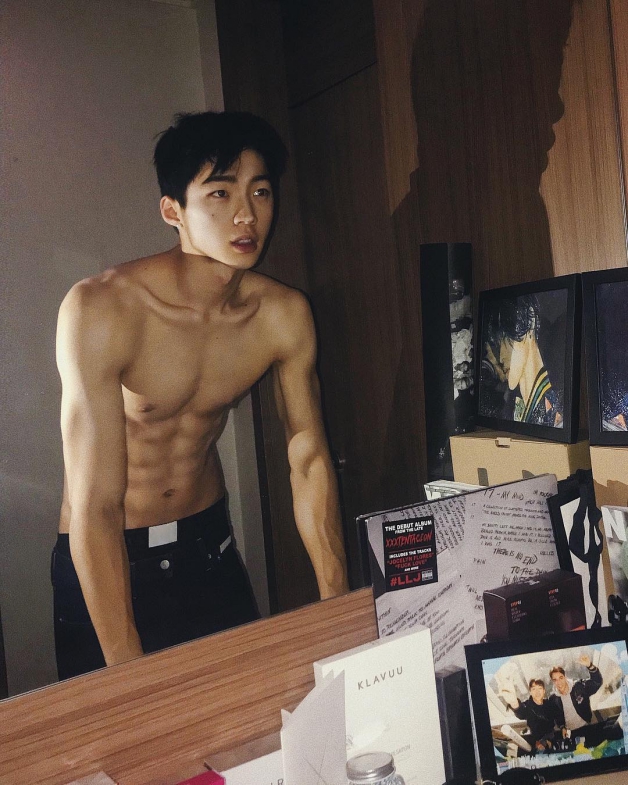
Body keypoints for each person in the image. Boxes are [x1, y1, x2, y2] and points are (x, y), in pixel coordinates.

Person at [52, 111, 349, 680]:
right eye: (220, 193)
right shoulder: (102, 309)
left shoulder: (281, 315)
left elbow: (308, 458)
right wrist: (126, 669)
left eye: (260, 191)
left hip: (205, 547)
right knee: (133, 734)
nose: (246, 214)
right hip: (108, 558)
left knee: (249, 720)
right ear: (173, 211)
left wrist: (335, 602)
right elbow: (96, 503)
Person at [482, 295, 562, 427]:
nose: (501, 356)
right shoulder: (517, 404)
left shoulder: (552, 414)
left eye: (505, 338)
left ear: (530, 326)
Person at [547, 653, 622, 748]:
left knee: (612, 727)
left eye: (561, 678)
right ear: (552, 681)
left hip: (586, 725)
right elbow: (557, 716)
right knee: (586, 745)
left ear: (565, 677)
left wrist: (590, 666)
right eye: (555, 680)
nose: (559, 682)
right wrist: (562, 727)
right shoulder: (553, 699)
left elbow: (597, 682)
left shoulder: (578, 687)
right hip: (571, 732)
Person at [500, 678, 558, 752]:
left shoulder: (549, 704)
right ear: (530, 692)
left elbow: (557, 717)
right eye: (534, 689)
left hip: (552, 738)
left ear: (544, 691)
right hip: (537, 742)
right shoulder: (528, 706)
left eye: (540, 688)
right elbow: (521, 712)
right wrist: (514, 702)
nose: (537, 692)